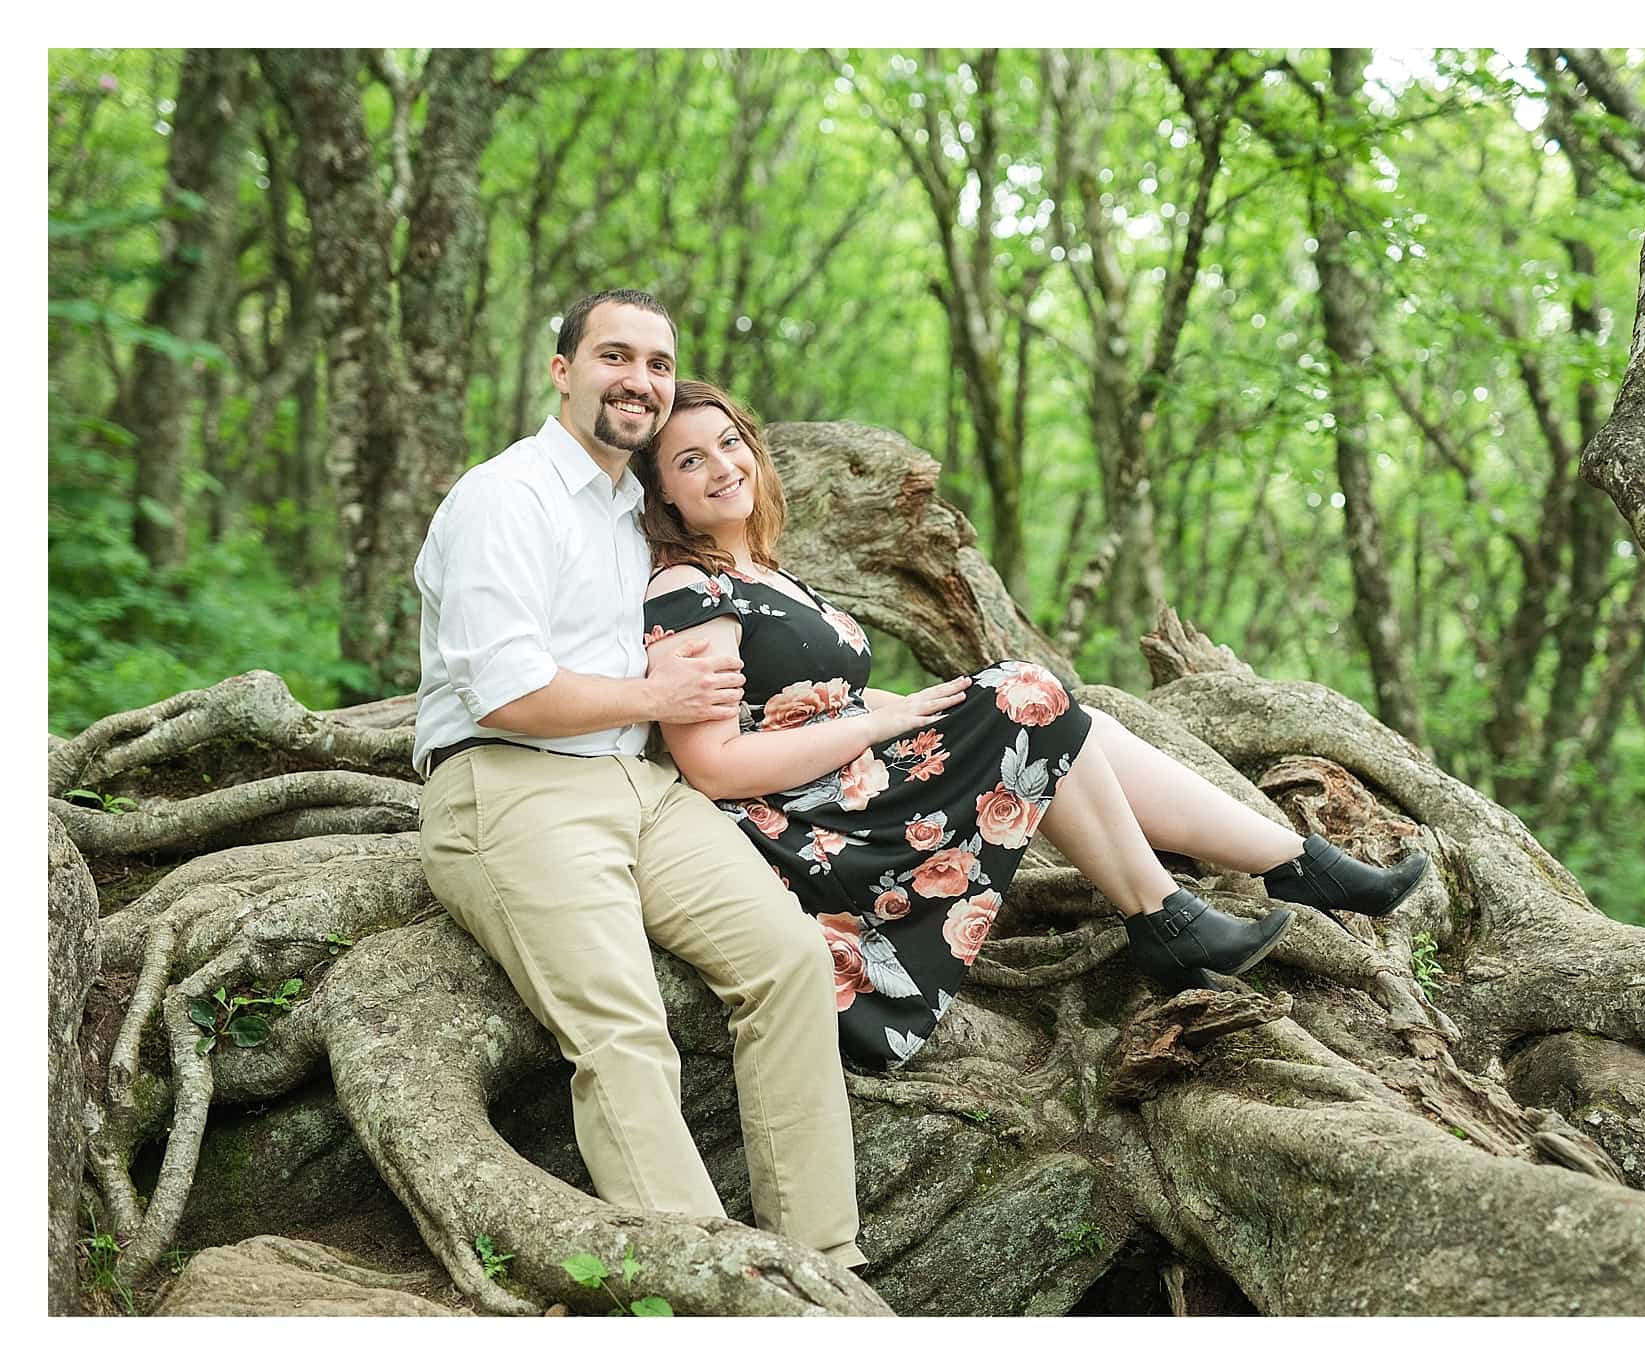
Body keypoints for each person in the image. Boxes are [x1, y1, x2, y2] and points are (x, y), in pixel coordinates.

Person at [634, 380, 1431, 1070]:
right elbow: (717, 764)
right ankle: (1169, 911)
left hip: (847, 779)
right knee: (1028, 694)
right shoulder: (686, 589)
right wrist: (897, 721)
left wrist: (927, 705)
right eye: (689, 460)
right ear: (664, 492)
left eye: (729, 443)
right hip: (809, 829)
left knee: (1060, 712)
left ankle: (1291, 862)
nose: (721, 466)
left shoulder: (766, 574)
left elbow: (818, 698)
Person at [411, 292, 866, 1269]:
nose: (641, 381)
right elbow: (502, 691)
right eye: (615, 356)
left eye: (658, 364)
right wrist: (652, 690)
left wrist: (752, 711)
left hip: (642, 787)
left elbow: (688, 656)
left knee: (789, 964)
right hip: (511, 786)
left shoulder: (637, 513)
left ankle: (823, 1269)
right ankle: (721, 1291)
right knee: (622, 1032)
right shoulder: (507, 496)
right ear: (561, 370)